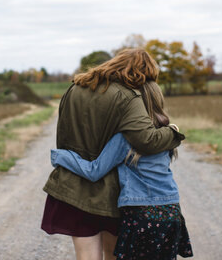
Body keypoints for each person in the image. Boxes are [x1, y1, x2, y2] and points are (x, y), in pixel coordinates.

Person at [41, 48, 184, 260]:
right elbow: (145, 139)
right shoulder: (128, 96)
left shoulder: (74, 88)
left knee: (86, 257)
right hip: (109, 195)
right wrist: (173, 134)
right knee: (112, 255)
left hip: (70, 184)